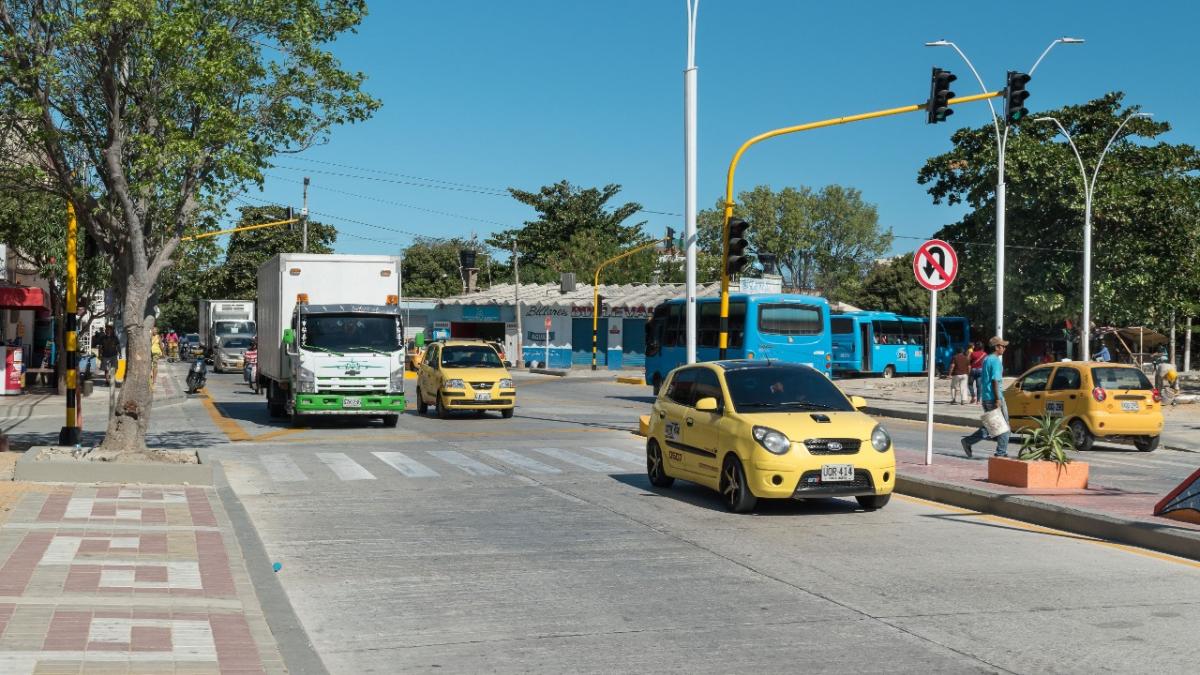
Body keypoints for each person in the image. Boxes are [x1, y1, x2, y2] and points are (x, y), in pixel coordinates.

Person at [961, 336, 1010, 459]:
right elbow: (995, 381)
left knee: (991, 426)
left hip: (987, 397)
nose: (1004, 348)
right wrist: (998, 399)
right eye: (1003, 346)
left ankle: (968, 441)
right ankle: (1001, 453)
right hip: (994, 398)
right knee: (1004, 427)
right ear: (997, 347)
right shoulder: (995, 361)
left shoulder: (987, 359)